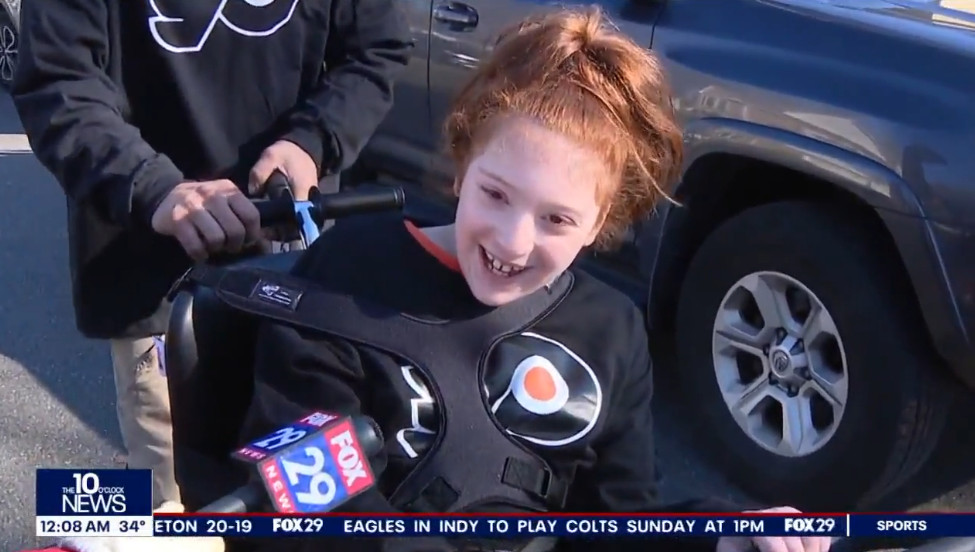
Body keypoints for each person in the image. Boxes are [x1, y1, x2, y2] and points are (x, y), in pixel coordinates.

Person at [20, 6, 831, 552]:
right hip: (163, 262)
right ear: (461, 157)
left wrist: (726, 529)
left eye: (557, 220)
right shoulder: (343, 281)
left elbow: (624, 518)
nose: (513, 242)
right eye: (495, 196)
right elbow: (308, 484)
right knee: (157, 506)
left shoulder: (608, 332)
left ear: (606, 219)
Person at [11, 0, 412, 509]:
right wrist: (155, 188)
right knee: (173, 506)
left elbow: (377, 50)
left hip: (300, 275)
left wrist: (312, 140)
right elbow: (58, 81)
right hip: (156, 276)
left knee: (310, 507)